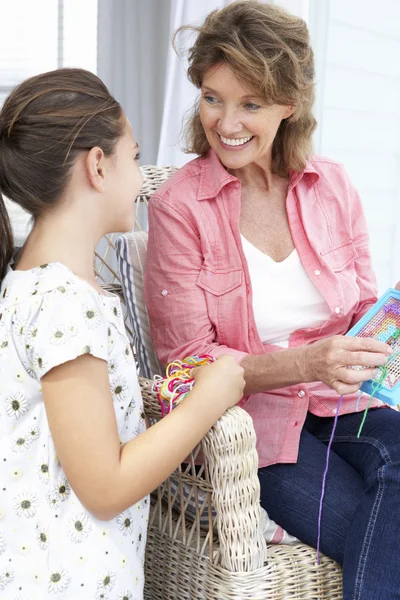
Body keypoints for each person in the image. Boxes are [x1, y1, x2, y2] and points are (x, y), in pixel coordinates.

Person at [144, 2, 400, 598]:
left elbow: (366, 310)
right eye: (213, 97)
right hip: (257, 429)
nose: (226, 121)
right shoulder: (179, 208)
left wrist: (379, 339)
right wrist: (308, 363)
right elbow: (186, 361)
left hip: (345, 405)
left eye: (251, 104)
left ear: (289, 105)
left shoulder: (330, 184)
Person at [0, 68, 245, 599]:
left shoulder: (44, 286)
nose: (140, 179)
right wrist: (208, 401)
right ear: (97, 165)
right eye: (133, 158)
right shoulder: (64, 305)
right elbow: (105, 487)